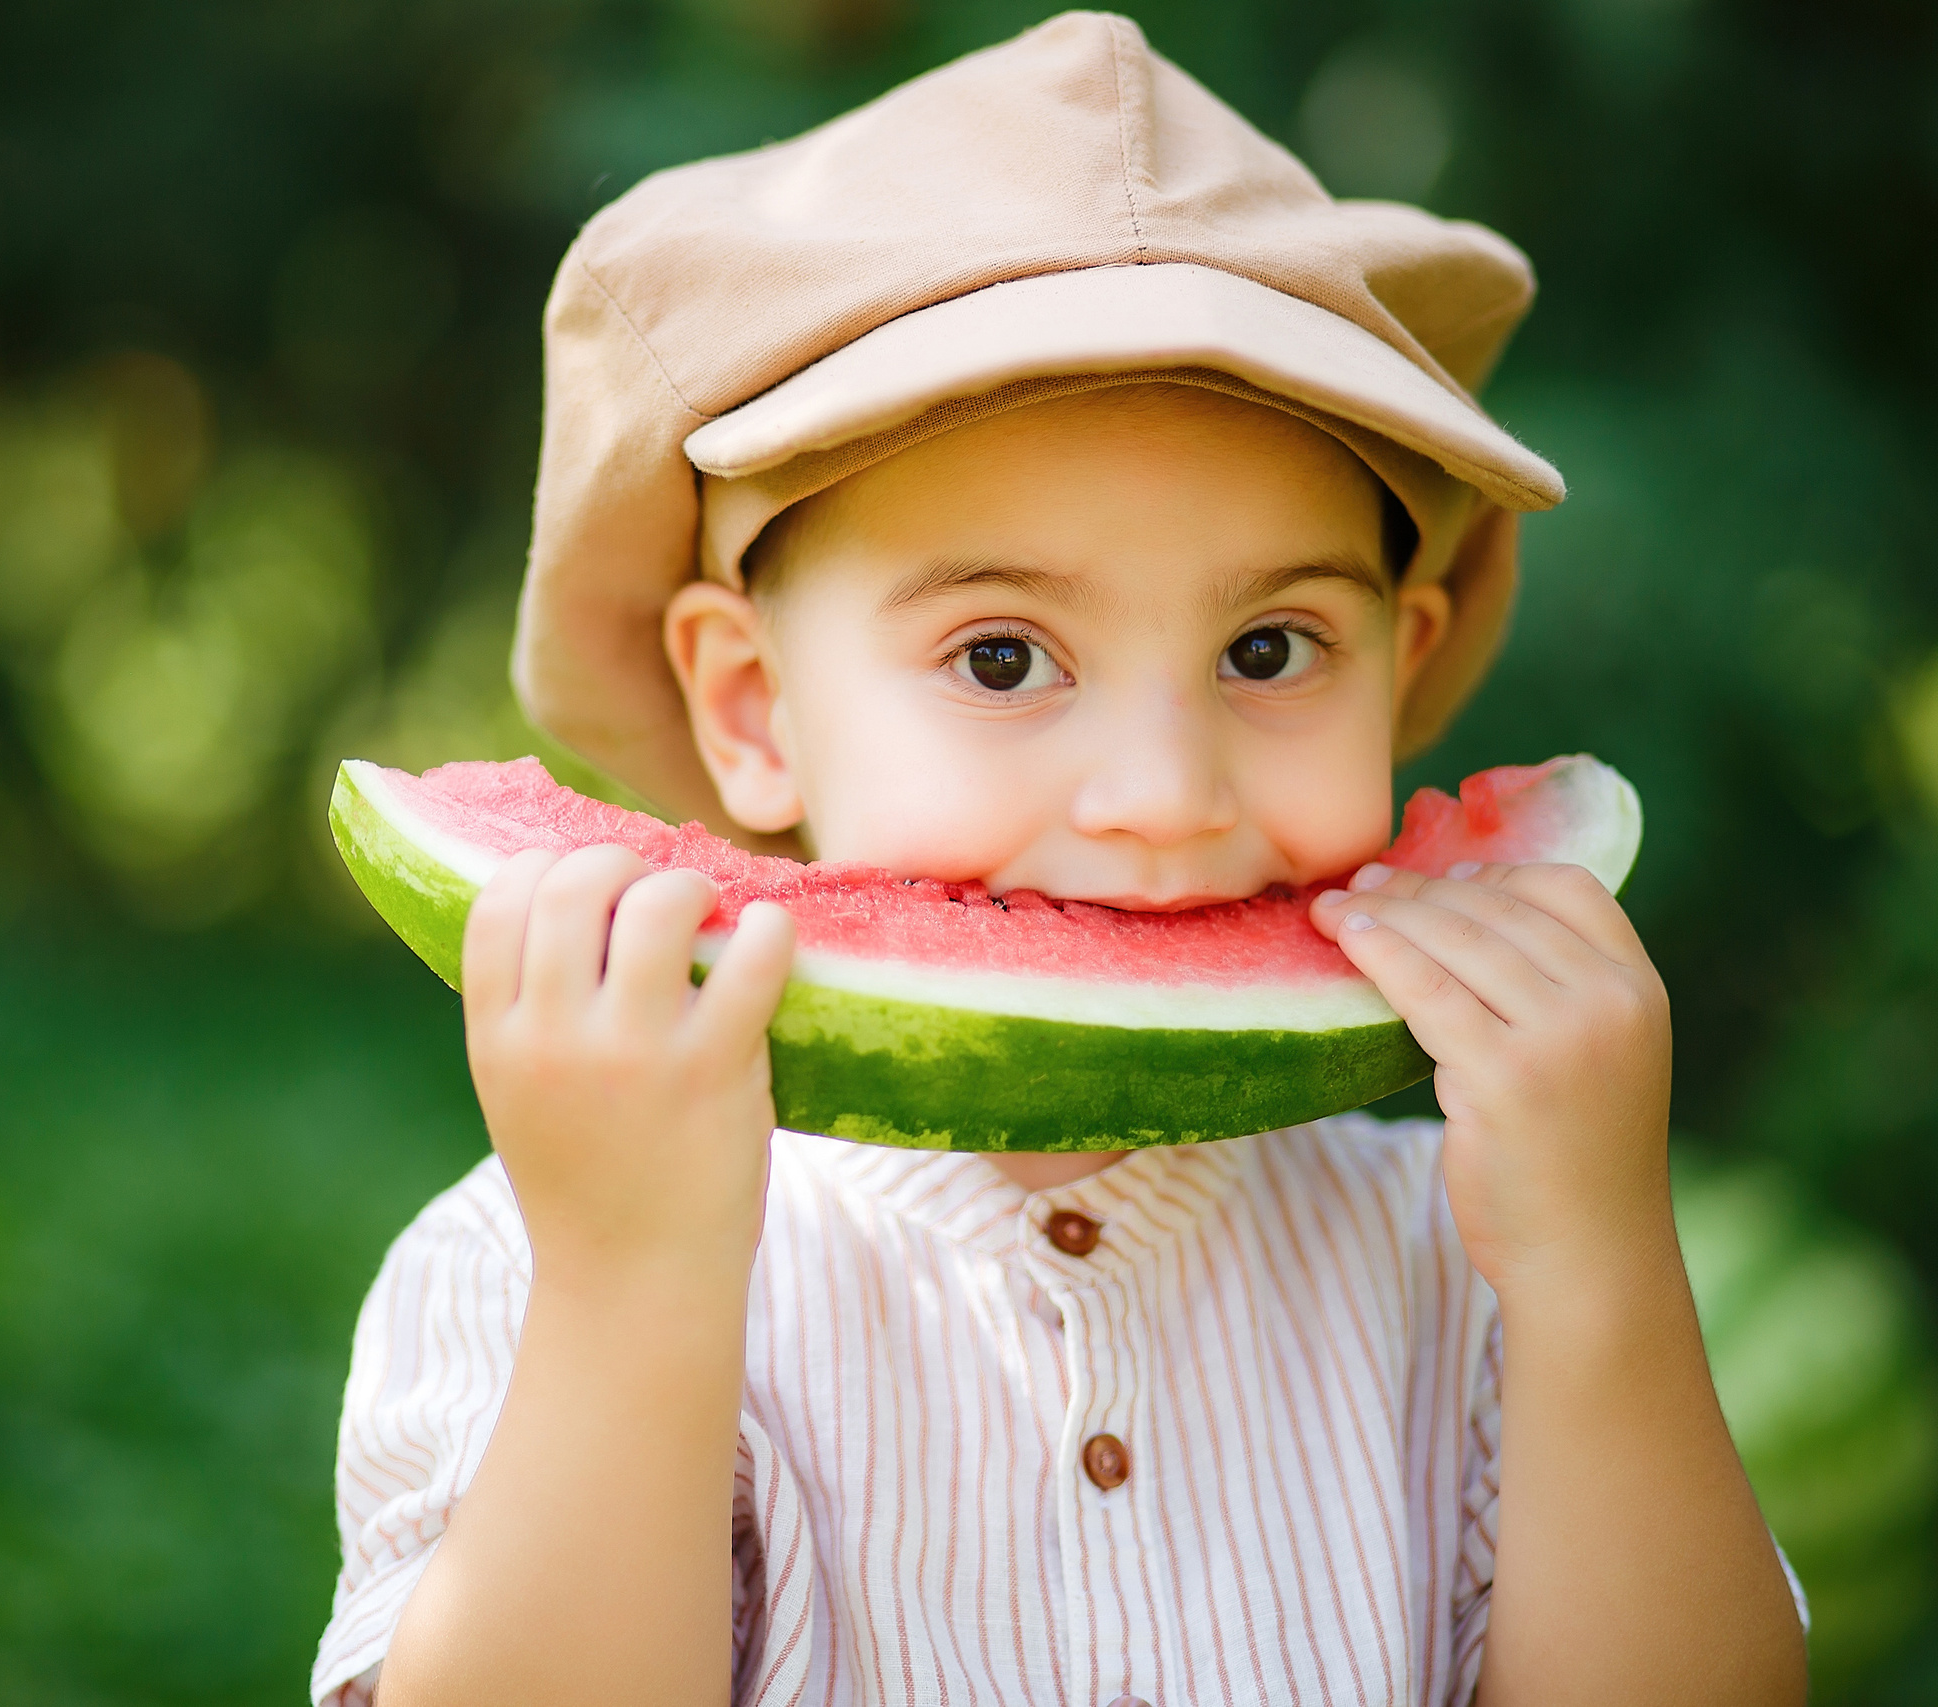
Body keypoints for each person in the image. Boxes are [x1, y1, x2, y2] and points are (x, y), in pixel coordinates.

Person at [312, 14, 1808, 1706]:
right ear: (753, 705)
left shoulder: (1460, 1256)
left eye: (1270, 650)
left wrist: (1597, 1271)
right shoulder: (530, 1250)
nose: (1164, 794)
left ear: (1406, 658)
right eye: (1004, 658)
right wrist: (630, 1290)